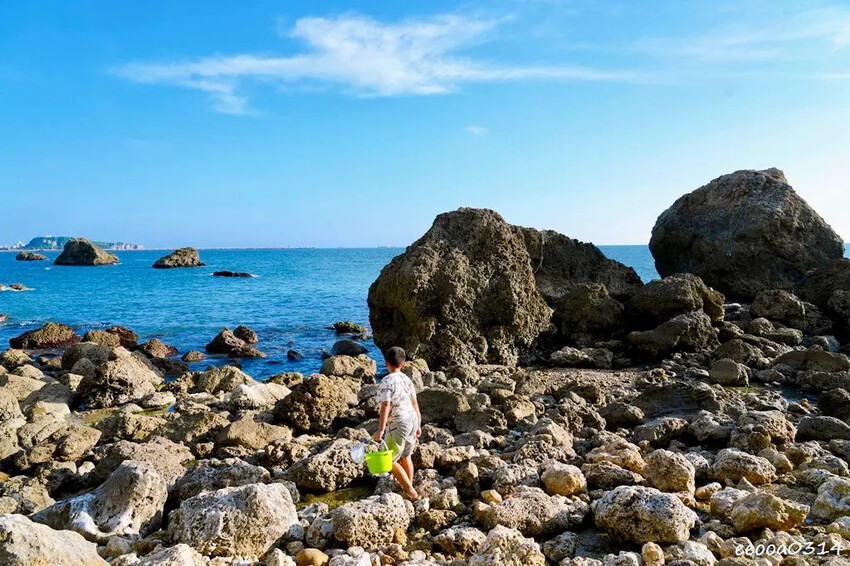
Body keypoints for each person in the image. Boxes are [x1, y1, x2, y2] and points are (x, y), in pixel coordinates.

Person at [372, 346, 421, 501]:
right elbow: (414, 403)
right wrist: (418, 424)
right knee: (406, 456)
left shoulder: (387, 381)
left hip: (399, 421)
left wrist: (380, 430)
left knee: (390, 460)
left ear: (386, 362)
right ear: (404, 364)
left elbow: (386, 405)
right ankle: (408, 487)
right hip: (412, 419)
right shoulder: (407, 380)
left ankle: (411, 491)